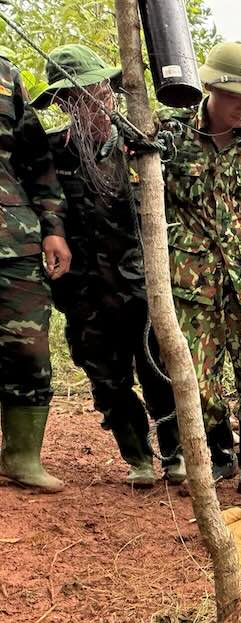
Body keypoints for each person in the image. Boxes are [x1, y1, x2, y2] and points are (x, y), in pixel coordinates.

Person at [33, 44, 184, 487]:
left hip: (142, 286)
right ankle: (138, 458)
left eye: (96, 92)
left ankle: (176, 453)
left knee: (159, 371)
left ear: (109, 90)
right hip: (84, 293)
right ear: (62, 104)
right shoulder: (51, 153)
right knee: (107, 380)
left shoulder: (142, 145)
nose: (89, 105)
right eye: (74, 98)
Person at [159, 41, 241, 501]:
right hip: (192, 283)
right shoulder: (170, 137)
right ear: (211, 88)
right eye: (236, 96)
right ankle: (217, 457)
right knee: (198, 376)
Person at [0, 52, 71, 492]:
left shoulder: (6, 74)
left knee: (28, 351)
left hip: (14, 239)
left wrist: (53, 228)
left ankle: (21, 457)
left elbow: (37, 160)